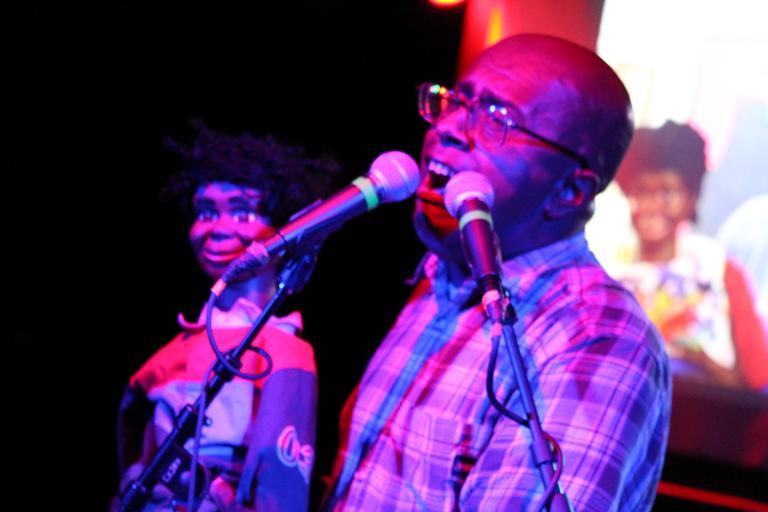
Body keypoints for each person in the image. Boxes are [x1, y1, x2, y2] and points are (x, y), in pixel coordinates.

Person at [324, 34, 670, 511]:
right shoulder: (441, 281)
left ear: (569, 191)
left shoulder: (599, 336)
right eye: (455, 102)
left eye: (495, 119)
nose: (447, 128)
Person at [114, 122, 340, 511]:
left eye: (242, 214)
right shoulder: (175, 348)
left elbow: (279, 492)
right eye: (206, 212)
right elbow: (134, 450)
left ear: (284, 230)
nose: (218, 228)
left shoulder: (284, 351)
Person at [601, 121, 768, 390]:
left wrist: (699, 361)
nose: (653, 206)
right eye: (642, 192)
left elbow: (758, 380)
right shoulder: (609, 275)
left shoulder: (718, 269)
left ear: (691, 197)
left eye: (667, 193)